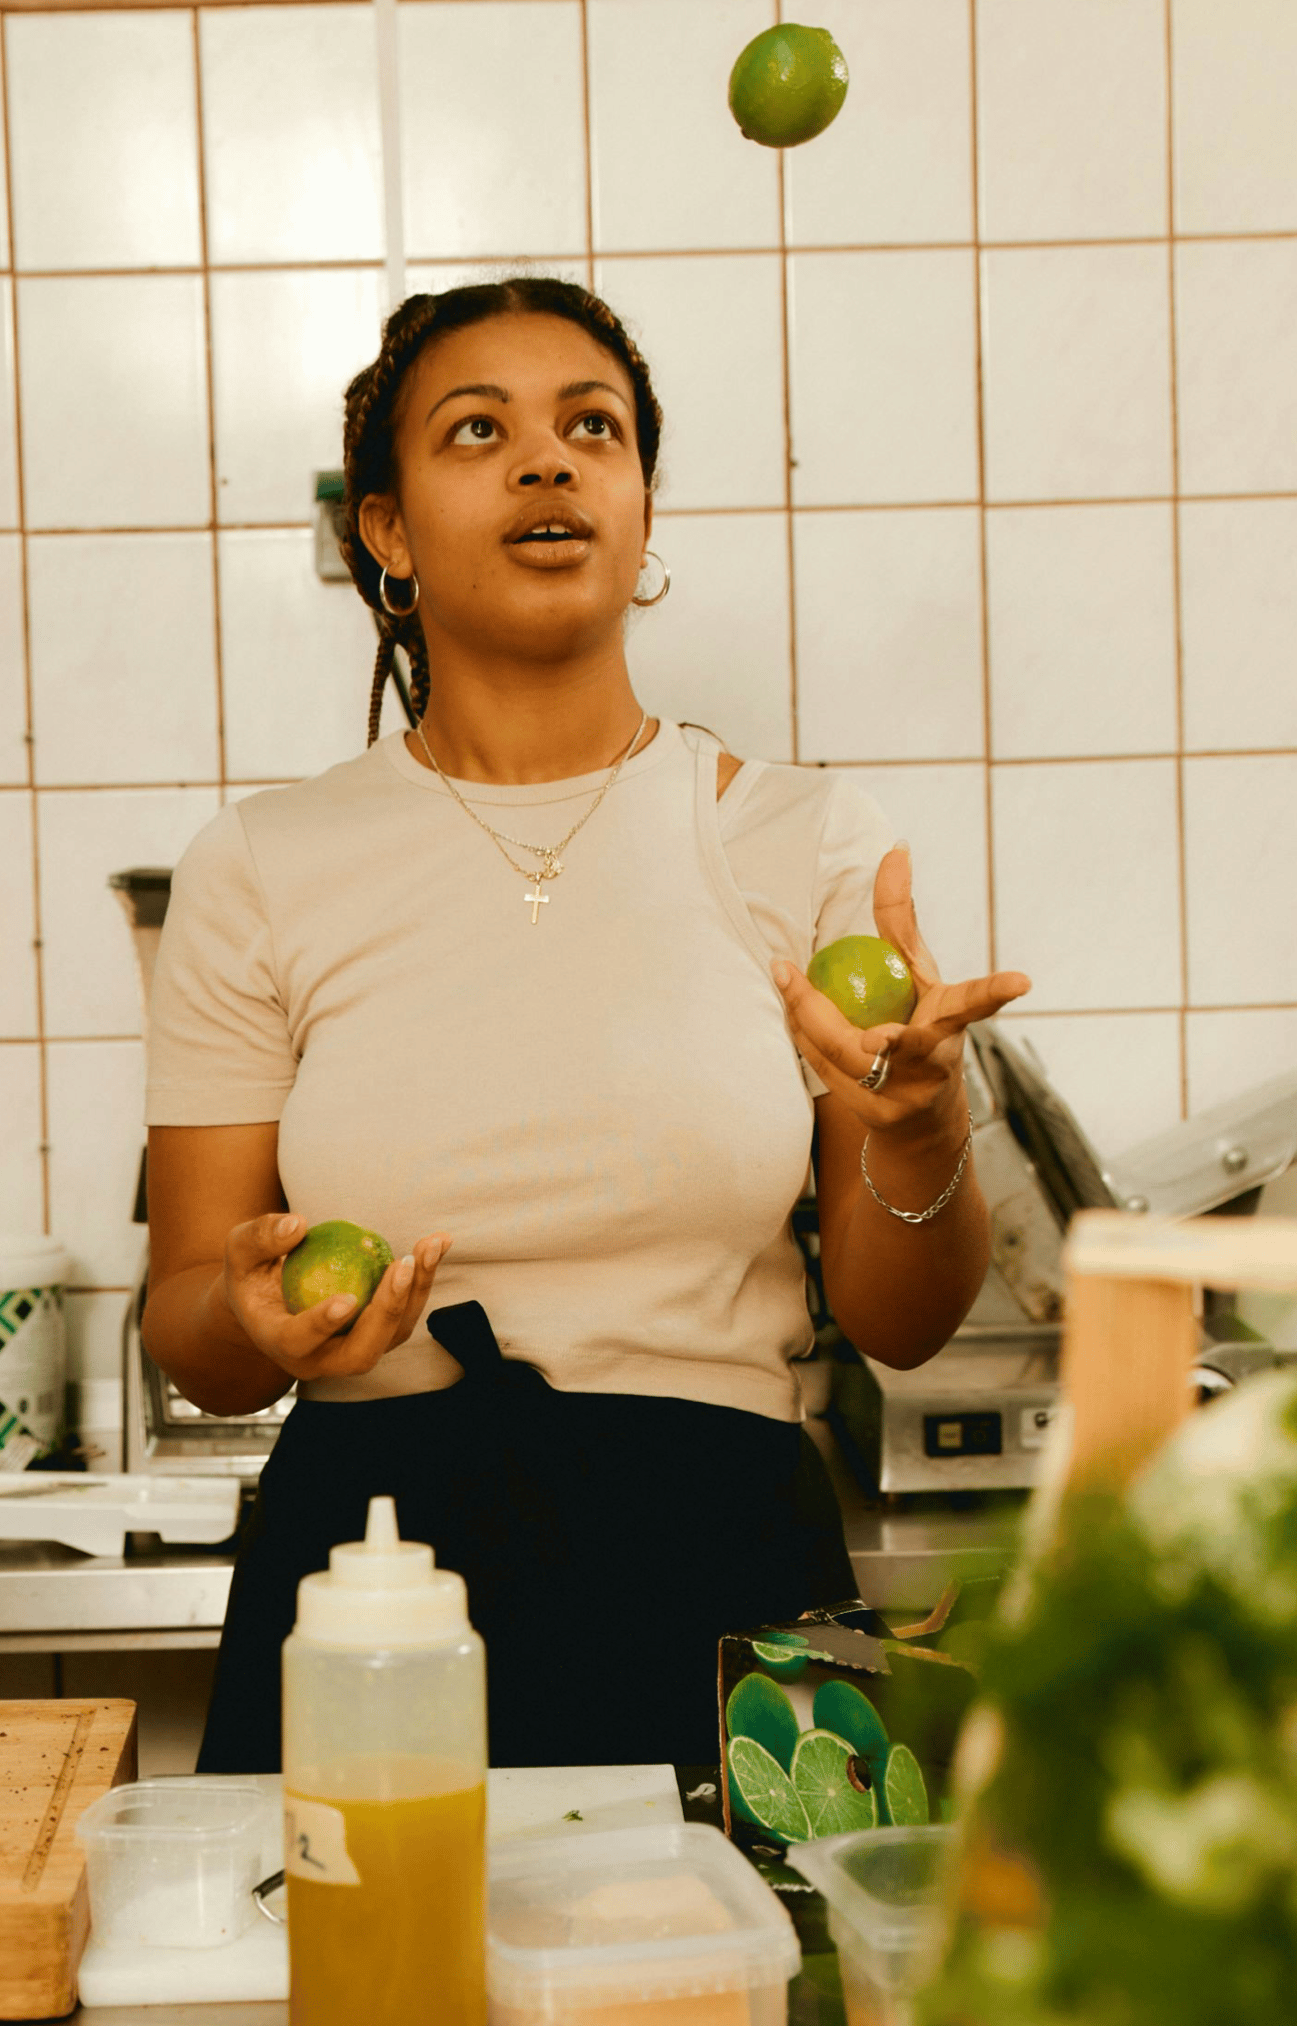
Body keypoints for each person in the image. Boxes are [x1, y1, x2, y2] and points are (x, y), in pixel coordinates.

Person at [141, 277, 1030, 1774]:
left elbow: (904, 1319)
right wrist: (245, 1315)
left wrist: (924, 1122)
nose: (547, 462)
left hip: (718, 1569)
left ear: (639, 507)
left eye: (592, 429)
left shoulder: (802, 837)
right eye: (477, 430)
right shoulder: (260, 866)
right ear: (390, 532)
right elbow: (192, 1324)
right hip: (375, 1578)